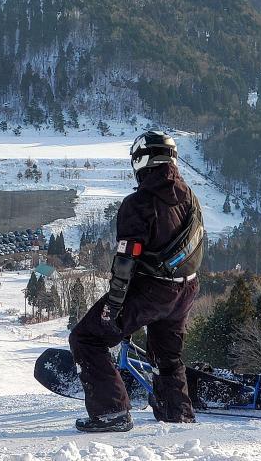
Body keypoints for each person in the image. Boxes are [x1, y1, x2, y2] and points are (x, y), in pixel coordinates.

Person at [69, 131, 204, 433]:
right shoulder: (190, 198)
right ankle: (177, 417)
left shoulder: (139, 203)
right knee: (167, 356)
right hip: (185, 289)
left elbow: (126, 261)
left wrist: (113, 306)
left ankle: (111, 413)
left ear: (142, 160)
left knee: (87, 338)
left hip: (151, 290)